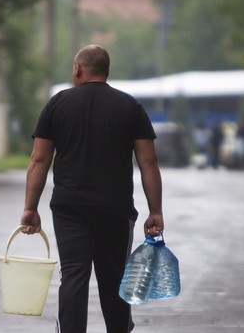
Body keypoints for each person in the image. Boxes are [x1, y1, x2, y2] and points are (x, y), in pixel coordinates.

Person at [20, 45, 165, 333]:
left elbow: (39, 159)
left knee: (73, 276)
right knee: (114, 279)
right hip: (115, 209)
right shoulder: (129, 106)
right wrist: (155, 211)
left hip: (69, 208)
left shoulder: (58, 104)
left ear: (77, 69)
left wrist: (30, 207)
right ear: (106, 71)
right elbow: (148, 161)